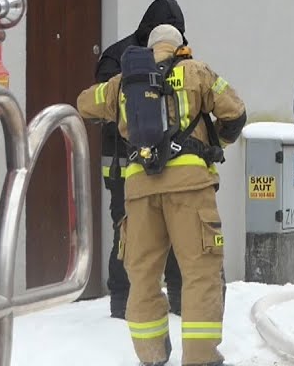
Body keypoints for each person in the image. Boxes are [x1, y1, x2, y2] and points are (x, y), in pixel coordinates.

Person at [78, 24, 247, 366]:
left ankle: (152, 355)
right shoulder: (196, 72)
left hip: (139, 189)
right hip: (190, 187)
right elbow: (235, 112)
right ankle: (201, 358)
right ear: (179, 46)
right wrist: (216, 146)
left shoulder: (125, 82)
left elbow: (84, 104)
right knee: (199, 273)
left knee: (142, 275)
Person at [92, 0, 187, 318]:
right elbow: (103, 104)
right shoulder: (119, 57)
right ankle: (123, 302)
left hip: (163, 161)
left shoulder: (169, 54)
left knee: (156, 229)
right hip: (124, 163)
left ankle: (171, 297)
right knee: (129, 228)